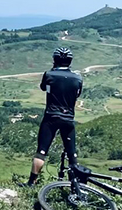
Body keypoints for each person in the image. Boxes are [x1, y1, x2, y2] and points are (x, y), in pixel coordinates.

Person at [27, 47, 83, 186]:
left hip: (51, 117)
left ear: (54, 60)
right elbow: (77, 94)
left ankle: (31, 183)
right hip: (68, 118)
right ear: (70, 61)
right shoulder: (78, 78)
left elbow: (43, 87)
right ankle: (76, 185)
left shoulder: (49, 75)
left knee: (41, 151)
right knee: (72, 153)